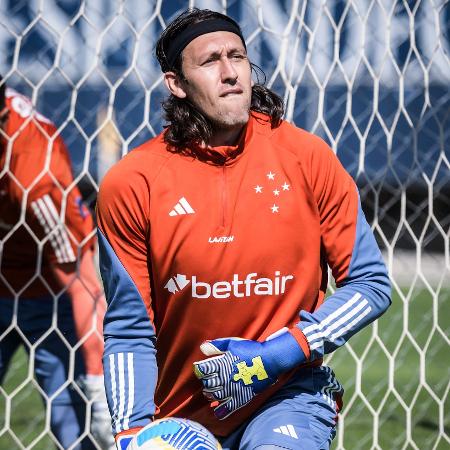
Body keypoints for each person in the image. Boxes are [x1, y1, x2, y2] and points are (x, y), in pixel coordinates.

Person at [96, 8, 391, 450]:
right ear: (176, 84)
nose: (231, 72)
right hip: (180, 415)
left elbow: (370, 284)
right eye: (211, 60)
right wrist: (131, 433)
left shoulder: (306, 158)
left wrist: (278, 355)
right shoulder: (132, 182)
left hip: (288, 393)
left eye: (238, 56)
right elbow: (129, 329)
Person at [0, 79, 114, 450]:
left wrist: (98, 379)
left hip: (46, 294)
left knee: (73, 422)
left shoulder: (35, 178)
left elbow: (81, 278)